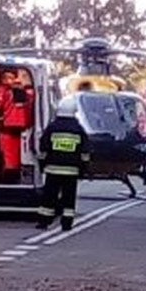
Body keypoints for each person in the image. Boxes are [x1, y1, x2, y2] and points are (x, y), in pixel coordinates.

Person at [36, 98, 90, 231]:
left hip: (52, 170)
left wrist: (42, 165)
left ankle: (44, 221)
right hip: (71, 171)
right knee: (69, 198)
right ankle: (66, 223)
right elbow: (85, 152)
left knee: (49, 197)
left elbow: (43, 148)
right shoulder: (78, 130)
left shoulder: (52, 127)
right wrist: (83, 169)